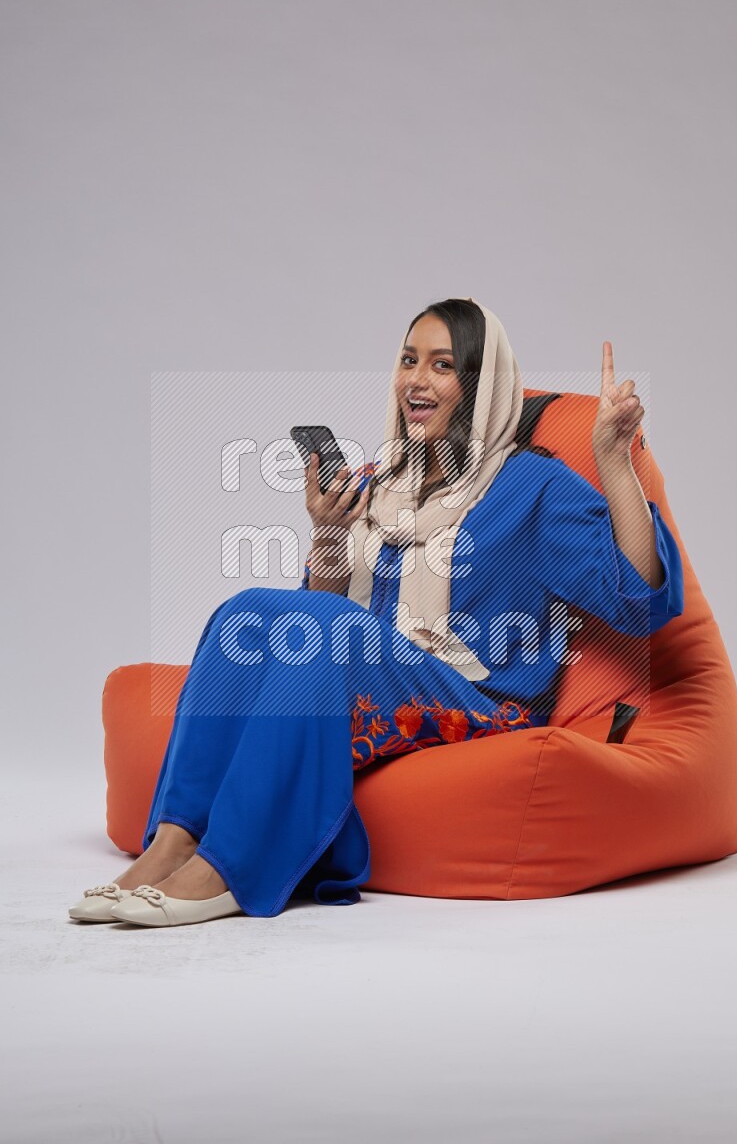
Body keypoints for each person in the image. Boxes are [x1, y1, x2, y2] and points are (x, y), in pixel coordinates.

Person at [68, 298, 684, 928]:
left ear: (479, 386)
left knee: (329, 634)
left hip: (480, 698)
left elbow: (640, 599)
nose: (416, 379)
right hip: (374, 670)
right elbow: (315, 623)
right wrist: (330, 535)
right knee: (245, 611)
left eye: (442, 366)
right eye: (409, 360)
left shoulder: (533, 485)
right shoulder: (376, 479)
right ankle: (173, 842)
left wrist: (612, 458)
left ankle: (232, 869)